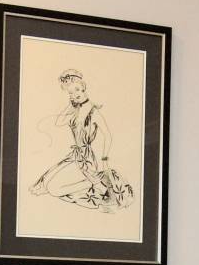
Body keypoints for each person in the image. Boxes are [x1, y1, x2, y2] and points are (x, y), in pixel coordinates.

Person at [29, 69, 132, 212]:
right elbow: (59, 122)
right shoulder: (75, 109)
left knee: (53, 189)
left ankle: (98, 183)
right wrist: (70, 105)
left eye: (77, 89)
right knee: (45, 182)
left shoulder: (94, 111)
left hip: (87, 160)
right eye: (70, 92)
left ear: (83, 87)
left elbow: (108, 136)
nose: (74, 94)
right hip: (75, 155)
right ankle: (94, 181)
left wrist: (104, 158)